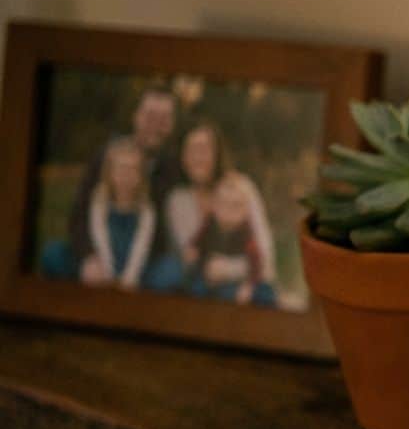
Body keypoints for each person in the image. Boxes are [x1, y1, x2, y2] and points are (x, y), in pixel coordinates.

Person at [63, 86, 182, 291]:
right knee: (54, 254)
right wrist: (89, 256)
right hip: (100, 249)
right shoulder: (107, 155)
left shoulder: (173, 167)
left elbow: (161, 231)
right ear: (136, 116)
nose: (155, 125)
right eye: (150, 116)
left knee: (172, 271)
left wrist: (133, 270)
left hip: (144, 256)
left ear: (172, 124)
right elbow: (79, 211)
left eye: (164, 119)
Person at [162, 121, 277, 288]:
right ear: (182, 157)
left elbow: (266, 258)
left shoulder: (242, 187)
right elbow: (191, 257)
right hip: (197, 283)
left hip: (243, 281)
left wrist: (230, 269)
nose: (197, 157)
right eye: (191, 150)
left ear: (217, 154)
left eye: (203, 150)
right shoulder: (178, 199)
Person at [40, 138, 160, 289]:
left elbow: (141, 247)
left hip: (132, 264)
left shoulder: (146, 209)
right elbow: (99, 237)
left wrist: (129, 279)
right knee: (53, 252)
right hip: (102, 260)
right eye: (121, 169)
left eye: (133, 169)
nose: (126, 176)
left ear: (141, 176)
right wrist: (104, 274)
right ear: (109, 173)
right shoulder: (99, 200)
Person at [184, 175, 277, 307]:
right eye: (222, 203)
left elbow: (256, 264)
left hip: (233, 282)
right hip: (207, 275)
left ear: (245, 212)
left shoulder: (246, 234)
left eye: (236, 206)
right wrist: (192, 248)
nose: (228, 211)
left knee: (232, 296)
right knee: (195, 288)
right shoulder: (210, 223)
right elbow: (199, 238)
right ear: (214, 206)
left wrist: (248, 286)